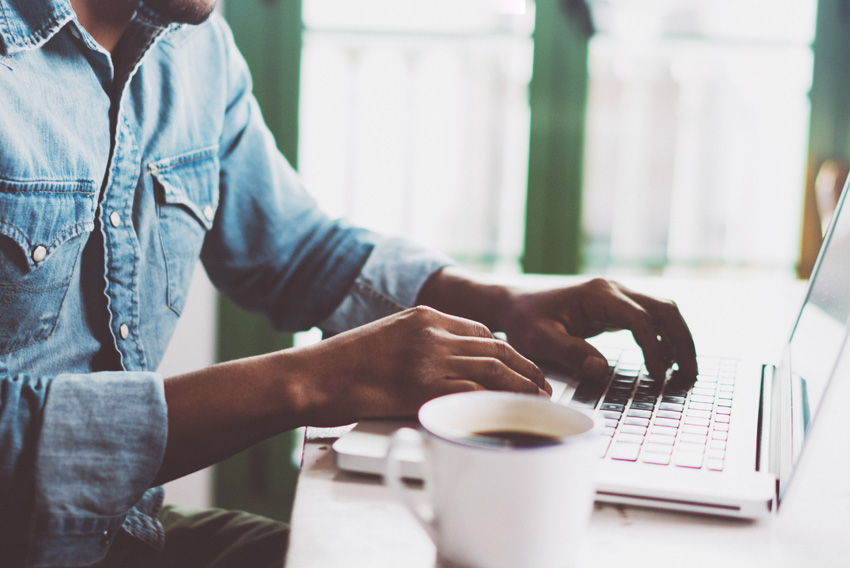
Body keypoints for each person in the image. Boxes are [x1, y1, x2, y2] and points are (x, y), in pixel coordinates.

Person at [0, 0, 698, 566]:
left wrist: (502, 306)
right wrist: (312, 382)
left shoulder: (194, 46)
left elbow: (297, 252)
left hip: (125, 534)